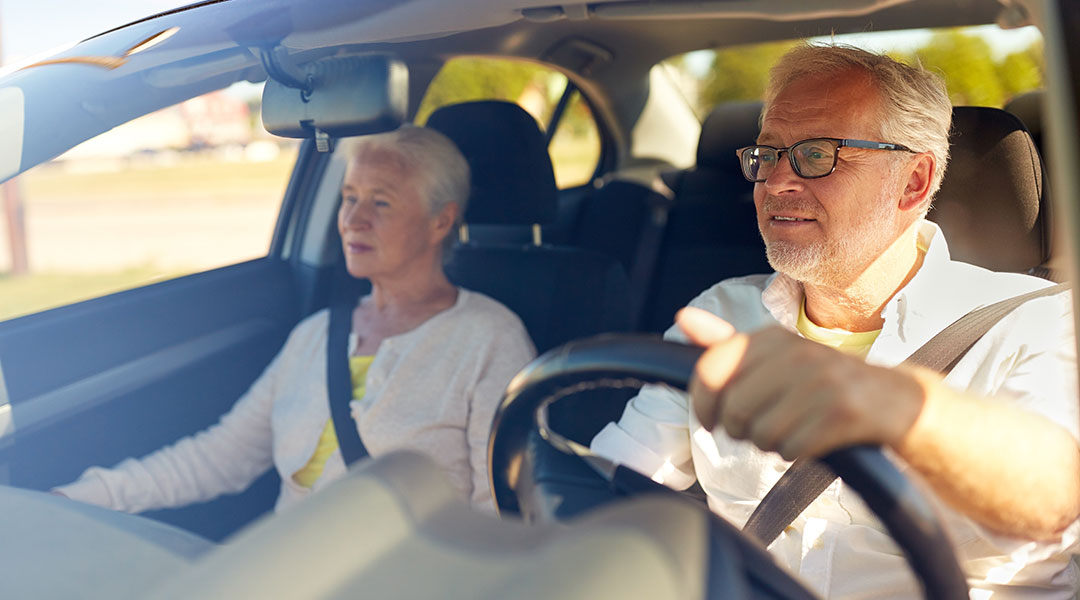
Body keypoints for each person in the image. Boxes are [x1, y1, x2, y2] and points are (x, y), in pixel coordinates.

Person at [591, 44, 1080, 598]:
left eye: (817, 154)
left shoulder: (1039, 322)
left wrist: (893, 406)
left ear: (914, 182)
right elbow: (612, 493)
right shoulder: (722, 315)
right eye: (767, 155)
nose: (775, 183)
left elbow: (1055, 497)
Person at [55, 126, 536, 513]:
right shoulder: (317, 335)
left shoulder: (489, 338)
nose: (353, 219)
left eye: (381, 202)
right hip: (284, 568)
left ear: (440, 221)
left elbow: (496, 511)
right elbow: (218, 457)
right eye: (350, 197)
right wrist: (81, 498)